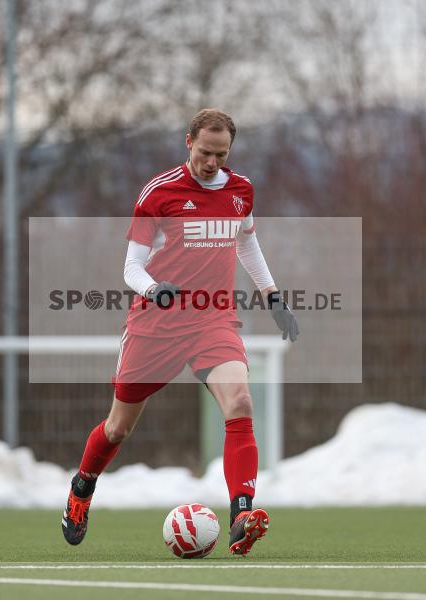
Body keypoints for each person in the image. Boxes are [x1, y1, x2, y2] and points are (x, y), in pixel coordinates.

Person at [61, 109, 298, 555]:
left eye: (221, 154)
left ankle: (242, 512)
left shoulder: (240, 191)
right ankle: (82, 486)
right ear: (187, 141)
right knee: (117, 429)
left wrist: (272, 296)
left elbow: (246, 240)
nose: (212, 162)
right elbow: (131, 266)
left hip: (213, 319)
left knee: (241, 401)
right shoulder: (160, 193)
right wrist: (155, 288)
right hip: (156, 326)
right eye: (205, 152)